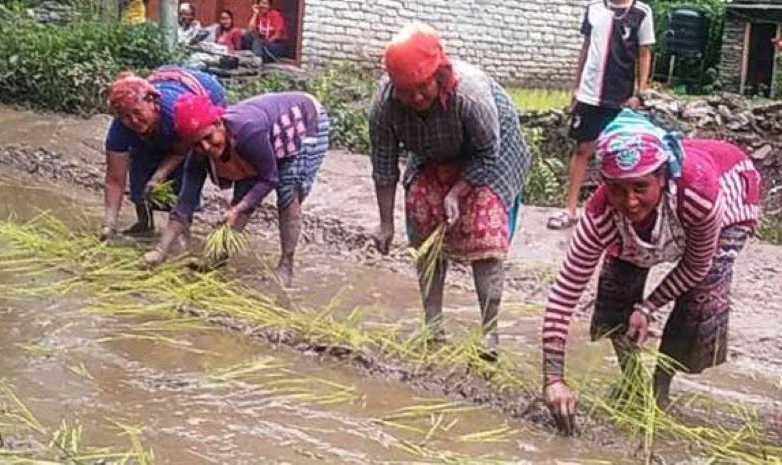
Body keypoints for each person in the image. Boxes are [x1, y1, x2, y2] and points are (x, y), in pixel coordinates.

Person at [541, 110, 761, 433]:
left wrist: (648, 307)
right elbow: (563, 295)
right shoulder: (601, 215)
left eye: (640, 187)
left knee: (700, 295)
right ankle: (634, 384)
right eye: (618, 189)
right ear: (605, 185)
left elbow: (695, 265)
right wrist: (554, 379)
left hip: (729, 193)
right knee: (616, 287)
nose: (630, 201)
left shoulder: (699, 194)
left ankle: (660, 388)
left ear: (661, 177)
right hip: (672, 210)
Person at [369, 23, 531, 356]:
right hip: (432, 153)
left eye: (423, 87)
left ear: (439, 74)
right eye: (406, 91)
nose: (416, 98)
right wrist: (385, 223)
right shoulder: (385, 105)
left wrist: (457, 192)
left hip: (491, 154)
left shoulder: (469, 96)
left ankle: (489, 334)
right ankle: (434, 326)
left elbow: (489, 153)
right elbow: (384, 165)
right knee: (423, 222)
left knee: (483, 233)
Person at [142, 91, 330, 287]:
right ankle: (218, 259)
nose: (205, 147)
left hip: (304, 123)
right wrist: (160, 251)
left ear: (218, 124)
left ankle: (286, 266)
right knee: (243, 195)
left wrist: (237, 209)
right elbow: (184, 204)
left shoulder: (247, 132)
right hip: (264, 138)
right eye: (197, 144)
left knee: (287, 192)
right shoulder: (198, 155)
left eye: (208, 137)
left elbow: (269, 178)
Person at [548, 0, 655, 230]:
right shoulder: (594, 9)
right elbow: (586, 49)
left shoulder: (641, 12)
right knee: (582, 149)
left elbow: (644, 53)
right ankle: (570, 209)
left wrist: (640, 93)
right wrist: (576, 88)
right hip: (589, 94)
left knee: (621, 154)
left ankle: (615, 214)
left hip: (621, 97)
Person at [102, 66, 226, 239]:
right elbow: (115, 179)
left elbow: (181, 150)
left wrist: (159, 176)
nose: (134, 120)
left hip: (203, 90)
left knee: (190, 163)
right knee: (139, 159)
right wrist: (109, 224)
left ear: (152, 102)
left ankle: (182, 228)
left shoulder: (177, 114)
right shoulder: (121, 129)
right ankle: (144, 223)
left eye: (137, 112)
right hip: (167, 87)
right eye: (126, 116)